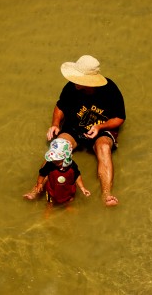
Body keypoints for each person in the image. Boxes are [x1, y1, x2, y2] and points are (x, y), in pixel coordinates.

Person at [47, 55, 126, 206]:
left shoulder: (110, 90)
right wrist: (55, 124)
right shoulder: (71, 87)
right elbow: (60, 106)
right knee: (58, 144)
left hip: (100, 129)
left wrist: (100, 127)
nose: (74, 80)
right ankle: (37, 188)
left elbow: (119, 118)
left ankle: (106, 194)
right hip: (74, 128)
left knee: (103, 147)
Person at [23, 138, 91, 204]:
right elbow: (42, 174)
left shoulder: (72, 166)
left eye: (58, 160)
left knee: (69, 199)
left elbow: (77, 176)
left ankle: (68, 206)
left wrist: (82, 188)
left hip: (68, 190)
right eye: (53, 159)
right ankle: (49, 208)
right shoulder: (50, 164)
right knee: (49, 201)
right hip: (52, 190)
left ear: (66, 158)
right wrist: (39, 184)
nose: (54, 162)